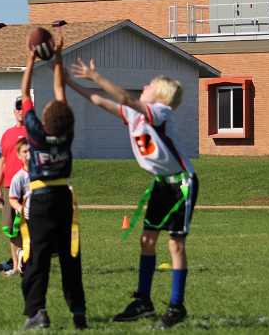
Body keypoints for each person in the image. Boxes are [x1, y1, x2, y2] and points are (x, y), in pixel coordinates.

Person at [67, 60, 198, 329]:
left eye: (149, 85)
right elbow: (98, 101)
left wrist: (95, 76)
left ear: (160, 94)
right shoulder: (136, 116)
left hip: (181, 184)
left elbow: (125, 98)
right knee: (147, 240)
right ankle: (143, 302)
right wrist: (68, 82)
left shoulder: (160, 112)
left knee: (175, 245)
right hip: (161, 184)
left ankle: (176, 306)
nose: (144, 86)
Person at [19, 33, 87, 331]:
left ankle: (38, 311)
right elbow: (61, 91)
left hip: (42, 199)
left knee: (38, 257)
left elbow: (25, 93)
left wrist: (31, 57)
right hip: (63, 197)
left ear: (45, 119)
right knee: (70, 256)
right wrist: (58, 56)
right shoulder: (66, 133)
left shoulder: (35, 133)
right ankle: (78, 311)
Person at [0, 97, 26, 275]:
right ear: (14, 111)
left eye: (24, 108)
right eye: (18, 108)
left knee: (28, 225)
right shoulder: (7, 134)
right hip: (8, 187)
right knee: (11, 228)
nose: (21, 111)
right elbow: (2, 161)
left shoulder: (33, 132)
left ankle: (28, 262)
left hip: (28, 186)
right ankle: (15, 266)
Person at [7, 138, 31, 276]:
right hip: (28, 217)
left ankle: (25, 257)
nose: (29, 154)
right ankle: (22, 257)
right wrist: (22, 210)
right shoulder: (19, 177)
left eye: (31, 151)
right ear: (19, 155)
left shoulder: (43, 174)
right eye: (25, 151)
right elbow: (12, 199)